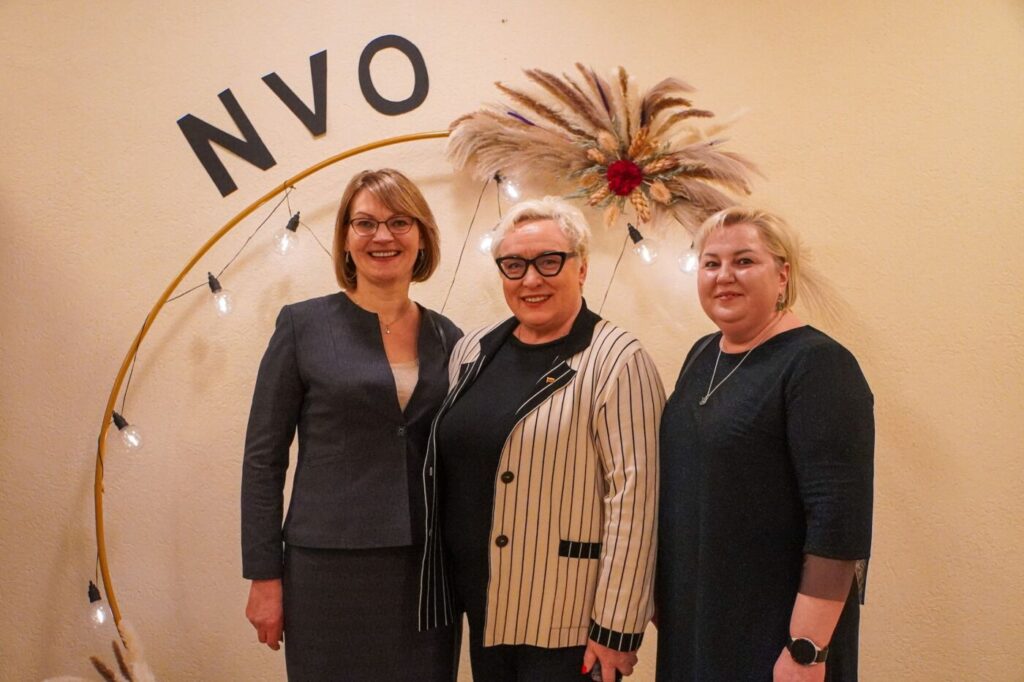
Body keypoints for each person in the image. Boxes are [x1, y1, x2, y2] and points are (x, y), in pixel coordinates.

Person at [419, 197, 665, 682]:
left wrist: (617, 628)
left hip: (567, 618)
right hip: (486, 607)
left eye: (549, 261)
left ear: (582, 268)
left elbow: (636, 500)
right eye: (514, 265)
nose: (531, 279)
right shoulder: (472, 350)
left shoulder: (618, 360)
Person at [241, 169, 462, 681]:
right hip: (326, 569)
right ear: (344, 238)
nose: (383, 236)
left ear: (422, 236)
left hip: (426, 570)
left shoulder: (448, 337)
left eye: (400, 222)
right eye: (365, 223)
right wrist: (264, 575)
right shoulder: (302, 326)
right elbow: (263, 459)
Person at [655, 206, 874, 681]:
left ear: (782, 274)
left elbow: (838, 521)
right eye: (711, 263)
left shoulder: (818, 365)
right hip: (699, 619)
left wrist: (807, 649)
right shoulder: (703, 355)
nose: (724, 276)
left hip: (775, 634)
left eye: (744, 261)